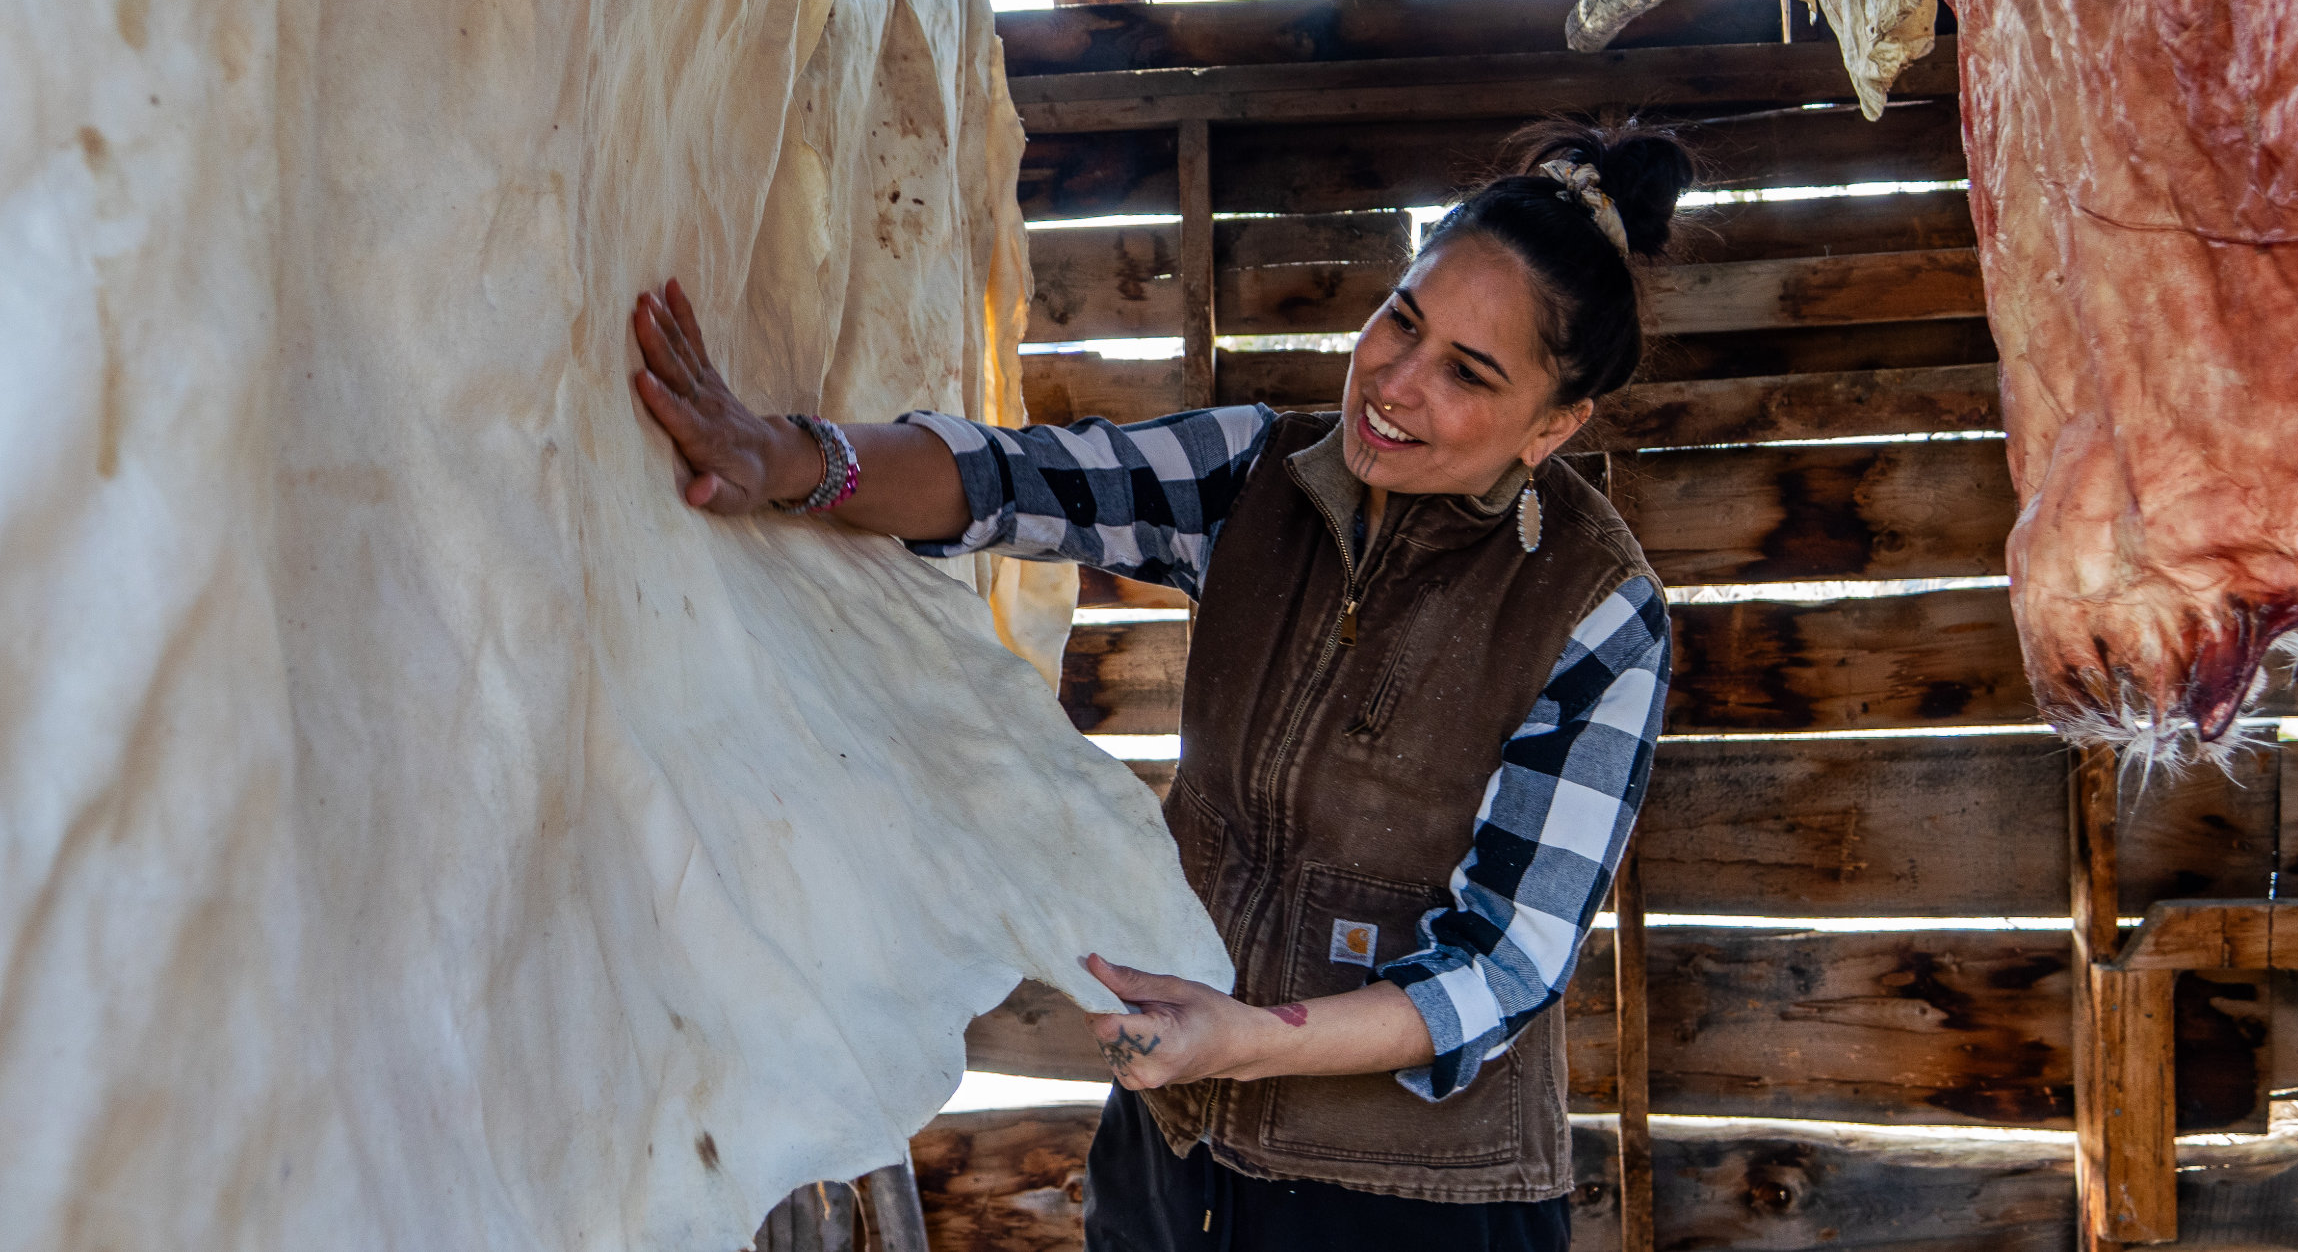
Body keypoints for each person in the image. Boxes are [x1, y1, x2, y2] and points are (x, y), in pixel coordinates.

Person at [630, 117, 1693, 1252]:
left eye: (1469, 374)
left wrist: (1249, 1035)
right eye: (1402, 320)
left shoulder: (1596, 610)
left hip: (1417, 1203)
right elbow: (1016, 480)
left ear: (1557, 423)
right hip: (1174, 1157)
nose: (1396, 384)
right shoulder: (1258, 477)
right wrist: (790, 461)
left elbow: (1506, 961)